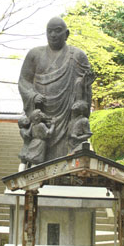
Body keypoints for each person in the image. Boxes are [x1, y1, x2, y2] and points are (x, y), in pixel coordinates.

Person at [18, 16, 95, 162]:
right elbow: (24, 81)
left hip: (66, 115)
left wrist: (84, 85)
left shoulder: (77, 56)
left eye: (58, 31)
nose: (53, 35)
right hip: (42, 115)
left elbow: (83, 89)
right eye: (50, 31)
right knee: (39, 150)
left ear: (66, 34)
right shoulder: (35, 54)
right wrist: (33, 96)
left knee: (65, 154)